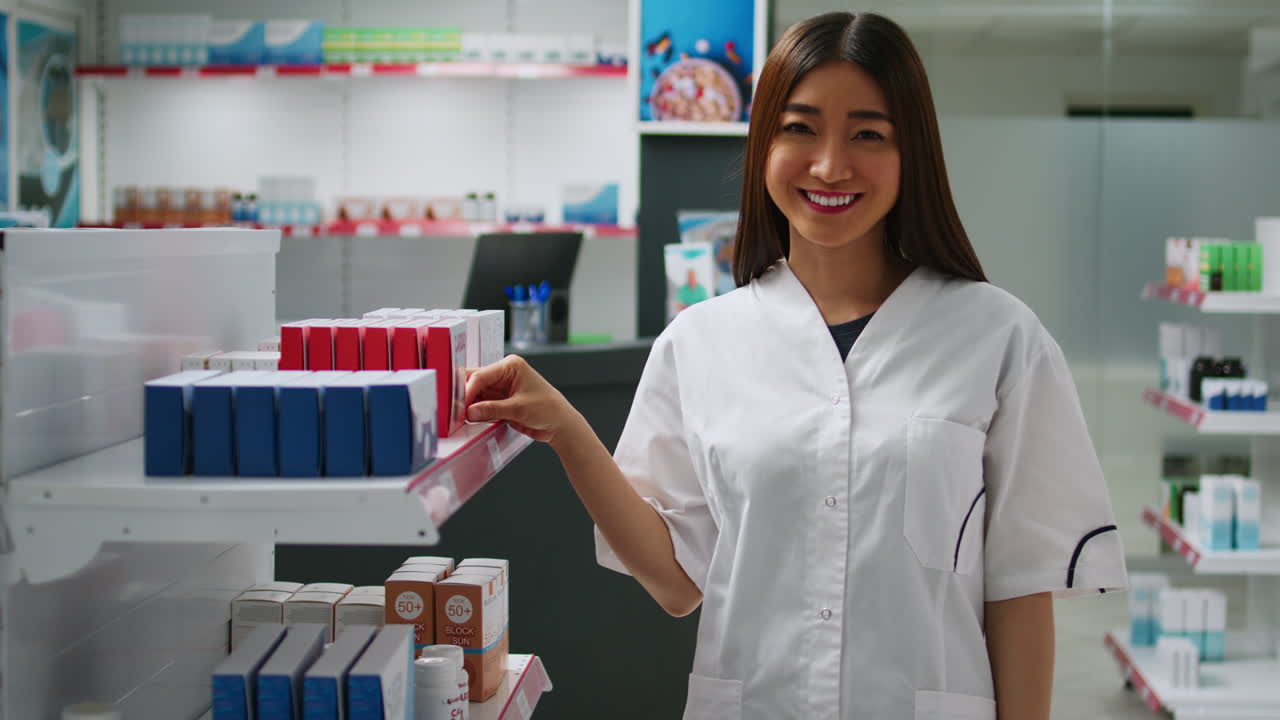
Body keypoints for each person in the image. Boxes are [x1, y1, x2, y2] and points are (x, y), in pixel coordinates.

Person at [464, 11, 1127, 720]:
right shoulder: (699, 344)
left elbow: (1019, 593)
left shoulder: (998, 340)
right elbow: (675, 583)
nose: (831, 165)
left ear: (912, 154)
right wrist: (568, 430)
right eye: (800, 128)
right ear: (763, 145)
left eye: (868, 134)